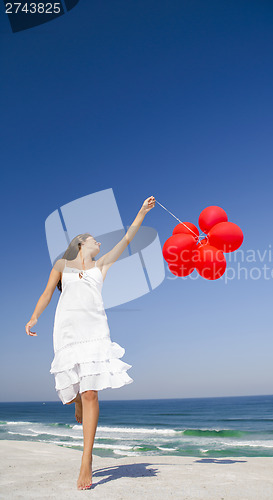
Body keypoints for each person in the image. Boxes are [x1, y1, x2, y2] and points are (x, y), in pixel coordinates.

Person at [25, 195, 155, 490]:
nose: (99, 243)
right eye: (94, 240)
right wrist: (34, 318)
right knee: (72, 390)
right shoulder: (62, 264)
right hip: (68, 332)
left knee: (92, 392)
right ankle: (76, 404)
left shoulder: (101, 266)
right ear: (80, 243)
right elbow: (47, 293)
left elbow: (128, 238)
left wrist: (142, 212)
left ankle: (86, 461)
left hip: (95, 331)